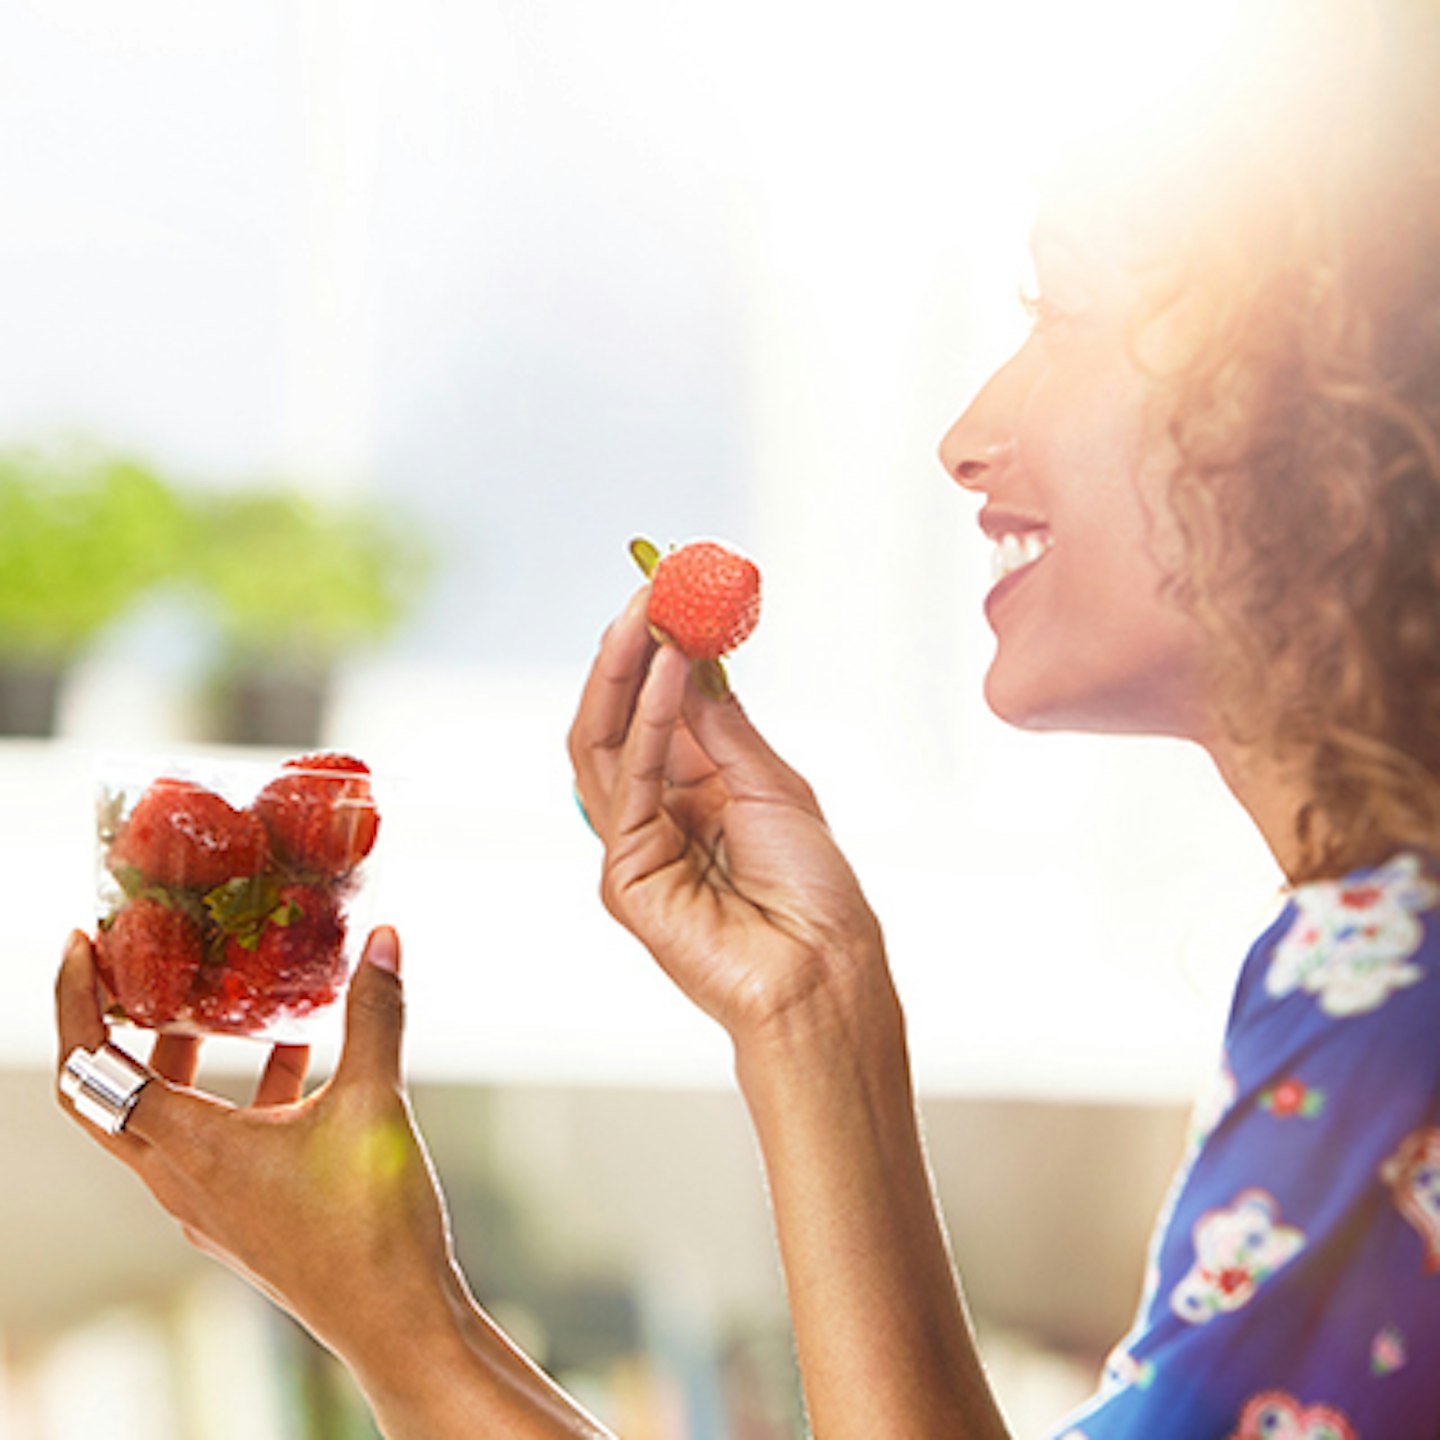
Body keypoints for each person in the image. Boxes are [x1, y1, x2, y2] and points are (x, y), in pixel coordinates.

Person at [53, 0, 1440, 1434]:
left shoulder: (1395, 1010)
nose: (968, 434)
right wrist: (807, 1002)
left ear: (1325, 385)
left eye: (1065, 308)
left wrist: (400, 1327)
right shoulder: (1366, 970)